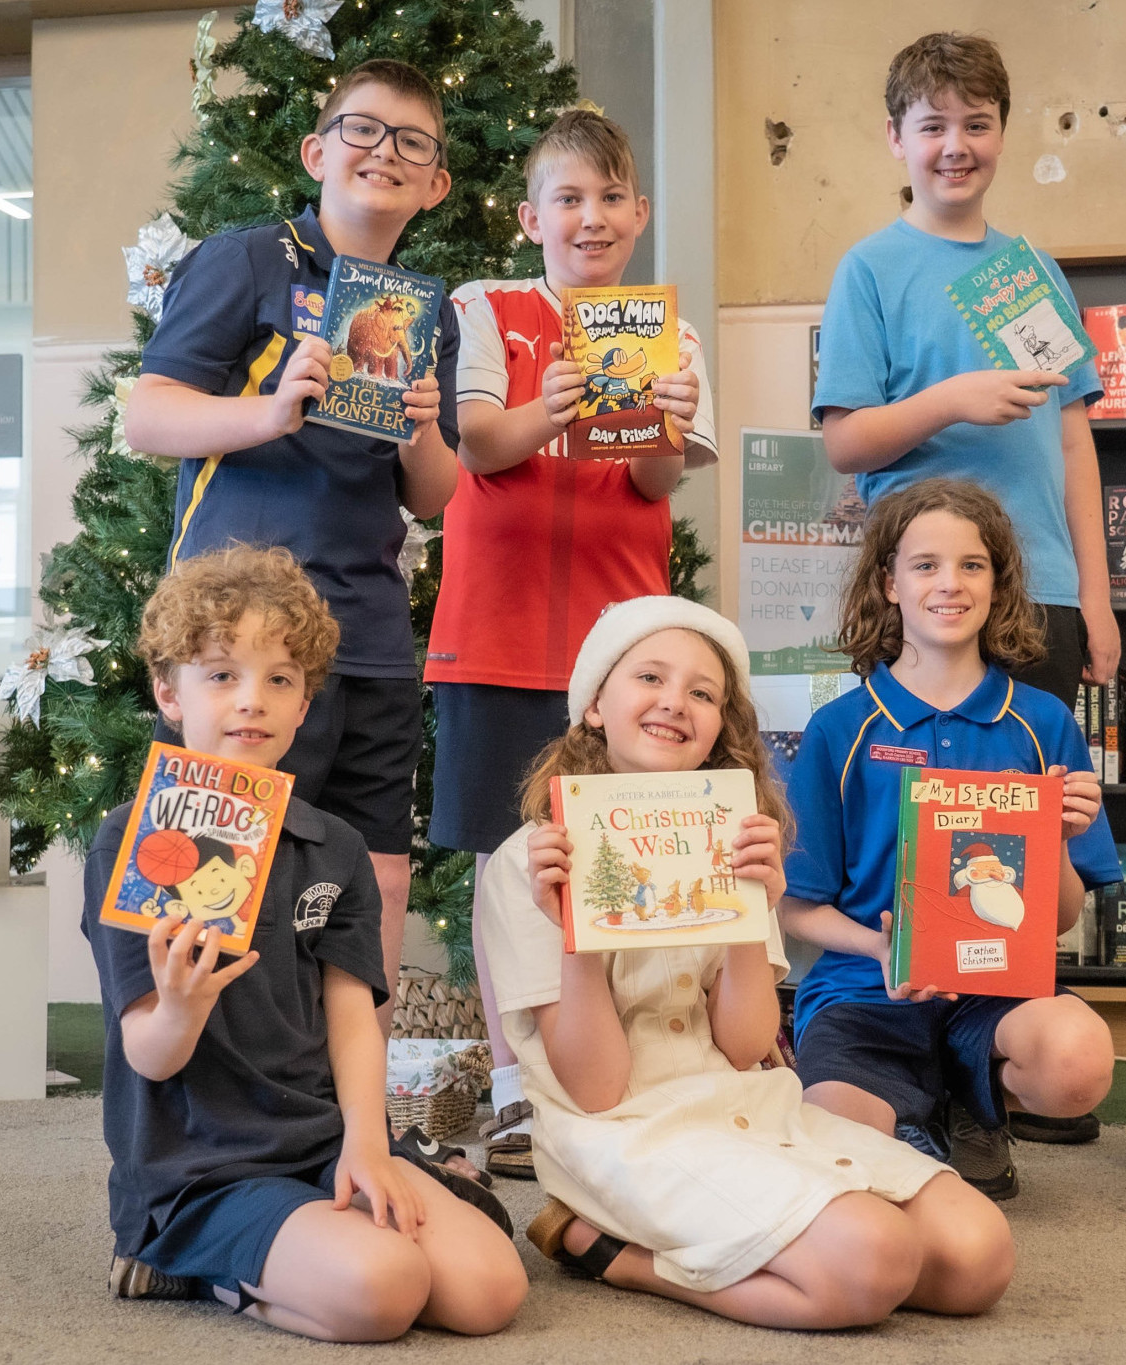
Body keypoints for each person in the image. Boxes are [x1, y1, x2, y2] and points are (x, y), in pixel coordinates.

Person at [476, 596, 1013, 1328]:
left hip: (746, 1103)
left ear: (719, 728)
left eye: (703, 692)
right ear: (596, 703)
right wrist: (578, 931)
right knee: (873, 1260)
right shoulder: (529, 862)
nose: (675, 702)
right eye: (650, 678)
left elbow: (744, 1044)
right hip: (624, 1131)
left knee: (979, 1258)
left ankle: (799, 1242)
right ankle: (615, 1254)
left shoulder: (734, 841)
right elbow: (599, 1090)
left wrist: (750, 909)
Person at [83, 545, 524, 1341]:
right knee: (387, 1289)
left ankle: (315, 1238)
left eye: (280, 679)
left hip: (323, 1137)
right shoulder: (135, 840)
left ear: (305, 704)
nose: (252, 700)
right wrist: (181, 1006)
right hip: (201, 1166)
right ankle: (193, 1264)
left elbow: (352, 1012)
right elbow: (147, 1053)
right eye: (221, 674)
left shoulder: (337, 847)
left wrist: (369, 1145)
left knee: (490, 1291)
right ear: (168, 692)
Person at [811, 35, 1119, 1144]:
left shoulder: (1032, 270)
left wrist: (1098, 592)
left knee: (1022, 837)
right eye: (931, 125)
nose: (955, 145)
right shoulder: (870, 269)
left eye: (975, 123)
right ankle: (908, 1055)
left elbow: (1074, 439)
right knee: (905, 833)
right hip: (927, 587)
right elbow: (846, 444)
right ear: (896, 139)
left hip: (1037, 587)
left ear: (1000, 134)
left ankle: (990, 1068)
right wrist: (949, 398)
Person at [124, 58, 463, 1036]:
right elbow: (149, 416)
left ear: (436, 182)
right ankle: (213, 1073)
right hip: (243, 643)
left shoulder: (413, 311)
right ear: (318, 151)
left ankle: (361, 1098)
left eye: (411, 142)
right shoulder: (247, 261)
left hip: (365, 636)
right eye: (361, 131)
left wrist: (421, 430)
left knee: (376, 877)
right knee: (220, 861)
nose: (383, 153)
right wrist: (271, 411)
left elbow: (431, 496)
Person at [434, 108, 715, 1178]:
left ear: (638, 215)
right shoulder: (486, 307)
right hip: (491, 640)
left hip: (618, 654)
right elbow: (477, 443)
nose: (589, 217)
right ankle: (513, 1086)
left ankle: (618, 1068)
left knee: (615, 863)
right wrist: (547, 406)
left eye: (609, 199)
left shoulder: (669, 334)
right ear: (529, 217)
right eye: (567, 198)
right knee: (506, 865)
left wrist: (669, 424)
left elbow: (653, 481)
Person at [780, 480, 1122, 1201]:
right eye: (926, 564)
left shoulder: (1043, 722)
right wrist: (884, 946)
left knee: (1080, 1063)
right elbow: (796, 907)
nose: (949, 583)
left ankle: (974, 1099)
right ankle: (919, 1107)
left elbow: (1058, 918)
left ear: (998, 585)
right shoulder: (840, 730)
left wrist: (1058, 837)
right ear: (889, 582)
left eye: (972, 565)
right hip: (866, 989)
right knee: (838, 1156)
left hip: (994, 990)